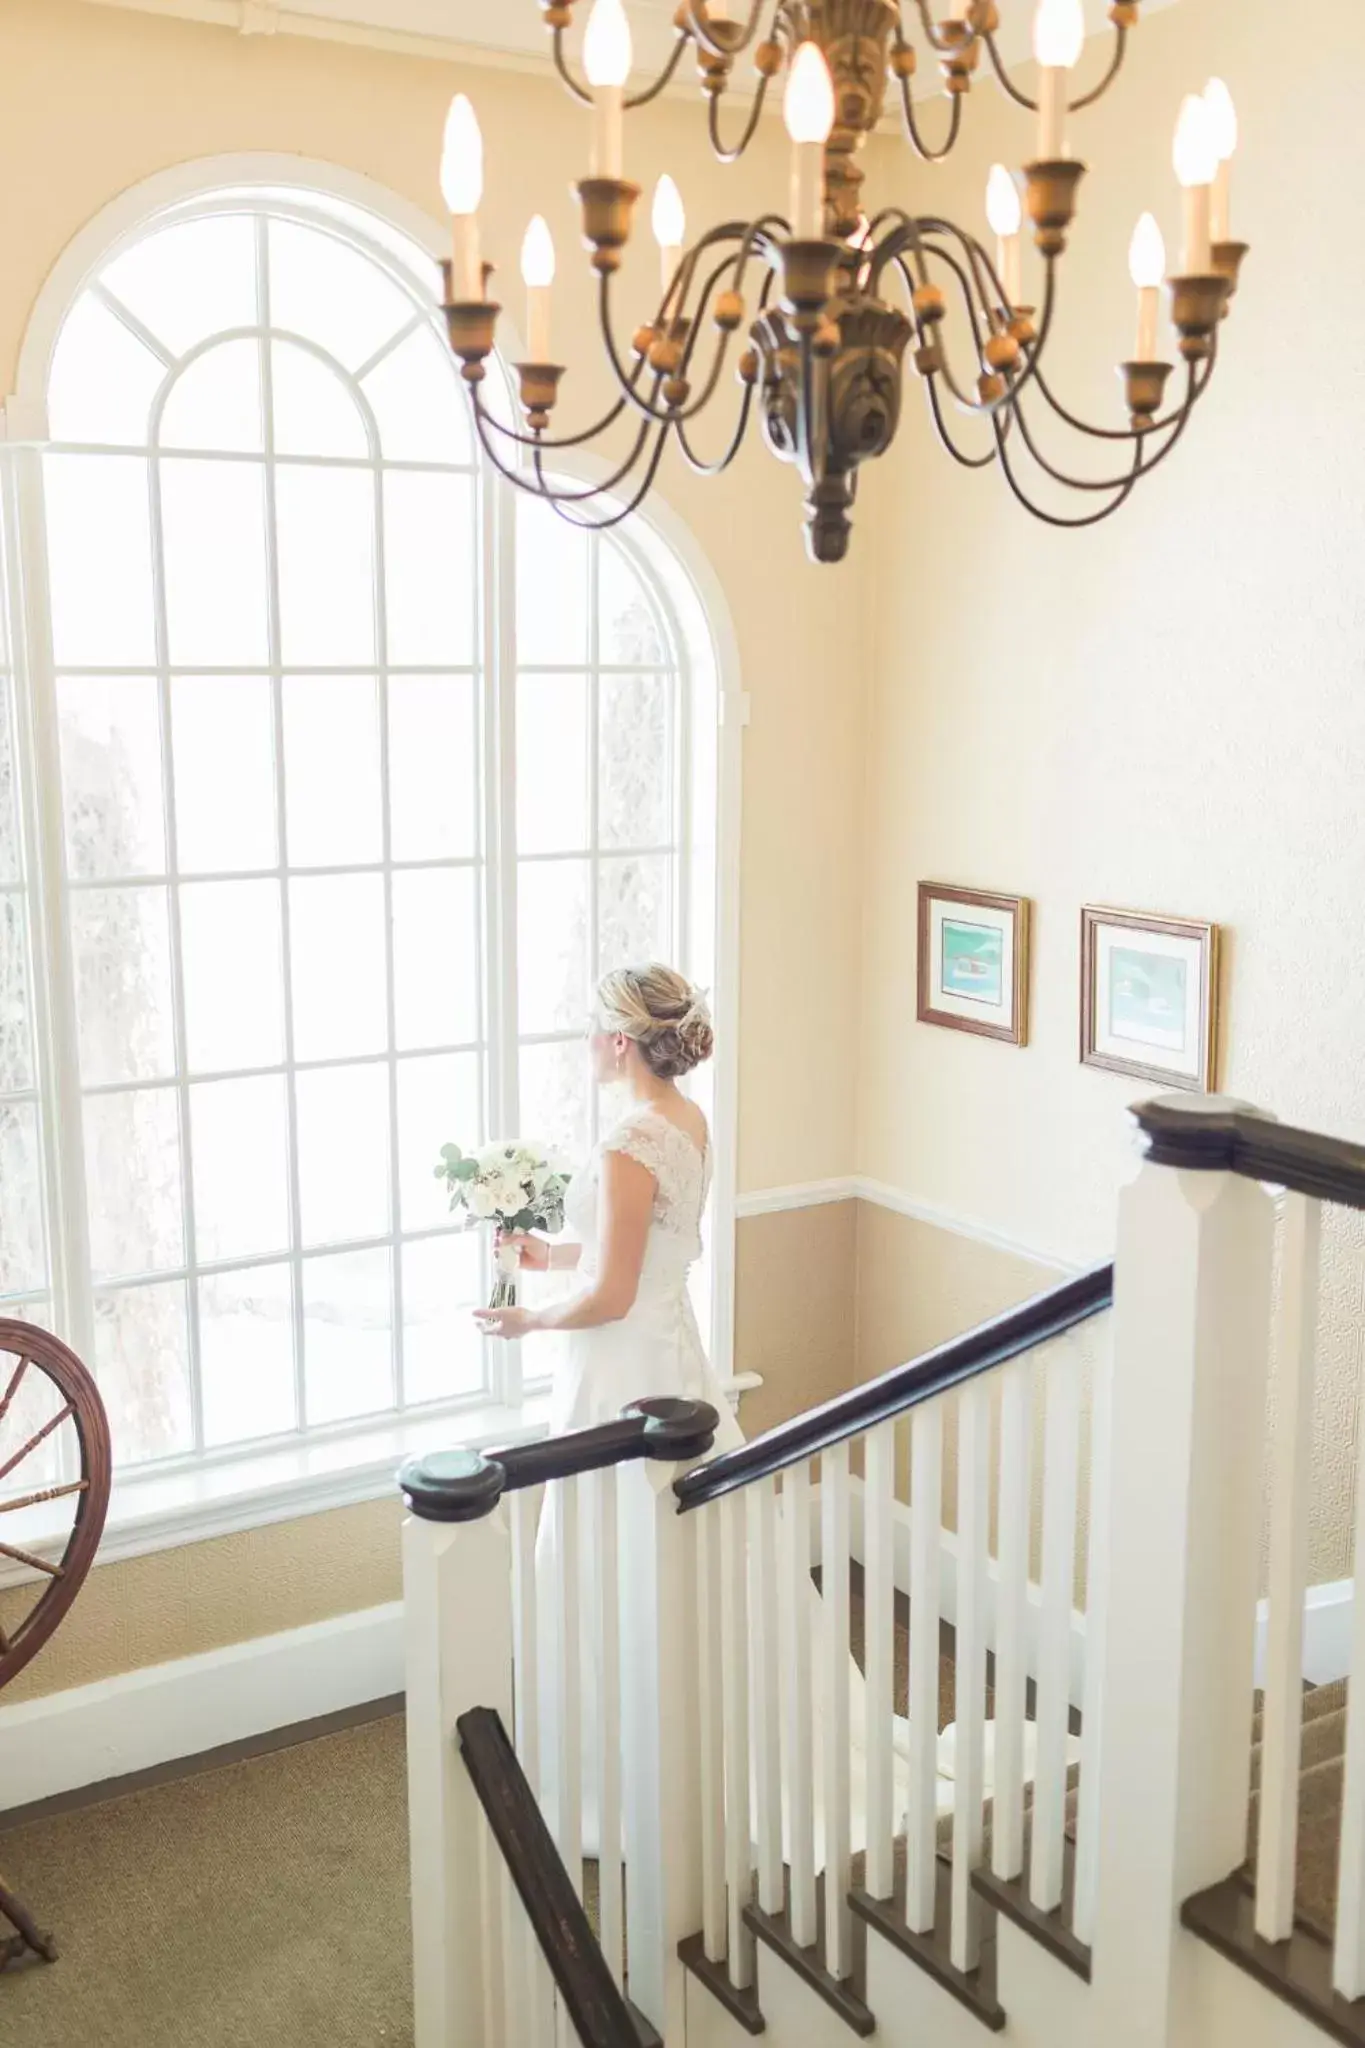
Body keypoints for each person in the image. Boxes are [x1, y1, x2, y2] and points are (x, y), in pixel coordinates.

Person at [474, 962, 738, 1445]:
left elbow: (612, 1297)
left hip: (621, 1364)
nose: (586, 1039)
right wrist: (553, 1256)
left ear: (620, 1041)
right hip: (671, 1345)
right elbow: (647, 1249)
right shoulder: (687, 1118)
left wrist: (530, 1320)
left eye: (594, 1026)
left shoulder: (630, 1143)